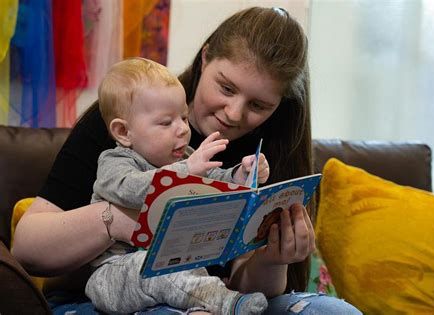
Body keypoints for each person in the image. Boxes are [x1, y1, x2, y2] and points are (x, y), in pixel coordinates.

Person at [13, 6, 362, 314]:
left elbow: (250, 287)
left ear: (279, 105)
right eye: (226, 88)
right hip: (115, 292)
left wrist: (273, 258)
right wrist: (118, 220)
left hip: (219, 299)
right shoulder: (132, 119)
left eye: (259, 106)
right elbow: (27, 248)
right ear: (205, 57)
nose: (234, 113)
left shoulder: (265, 151)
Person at [86, 57, 269, 314]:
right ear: (124, 133)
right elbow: (129, 190)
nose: (183, 129)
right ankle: (229, 303)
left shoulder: (185, 158)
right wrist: (186, 171)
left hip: (168, 263)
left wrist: (241, 175)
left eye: (183, 117)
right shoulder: (114, 161)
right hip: (115, 273)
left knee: (179, 266)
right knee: (158, 268)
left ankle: (201, 304)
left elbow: (213, 182)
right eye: (166, 122)